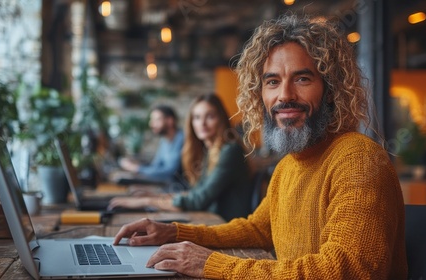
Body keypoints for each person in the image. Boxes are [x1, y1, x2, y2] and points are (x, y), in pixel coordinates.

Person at [113, 13, 407, 279]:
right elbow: (258, 230)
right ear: (261, 94)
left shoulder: (358, 160)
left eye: (302, 78)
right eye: (272, 82)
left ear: (330, 90)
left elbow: (345, 271)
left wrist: (212, 265)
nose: (285, 96)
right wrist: (173, 231)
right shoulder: (288, 166)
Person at [108, 94, 253, 221]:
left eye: (210, 116)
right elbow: (196, 193)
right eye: (196, 117)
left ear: (221, 119)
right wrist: (156, 197)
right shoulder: (211, 151)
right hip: (211, 220)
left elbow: (198, 200)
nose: (202, 123)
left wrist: (147, 201)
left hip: (227, 226)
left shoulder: (230, 151)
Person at [114, 105, 184, 183]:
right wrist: (136, 165)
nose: (151, 124)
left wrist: (137, 168)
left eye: (156, 120)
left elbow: (170, 172)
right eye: (151, 120)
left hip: (180, 189)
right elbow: (156, 166)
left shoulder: (182, 140)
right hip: (167, 186)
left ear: (170, 121)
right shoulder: (164, 141)